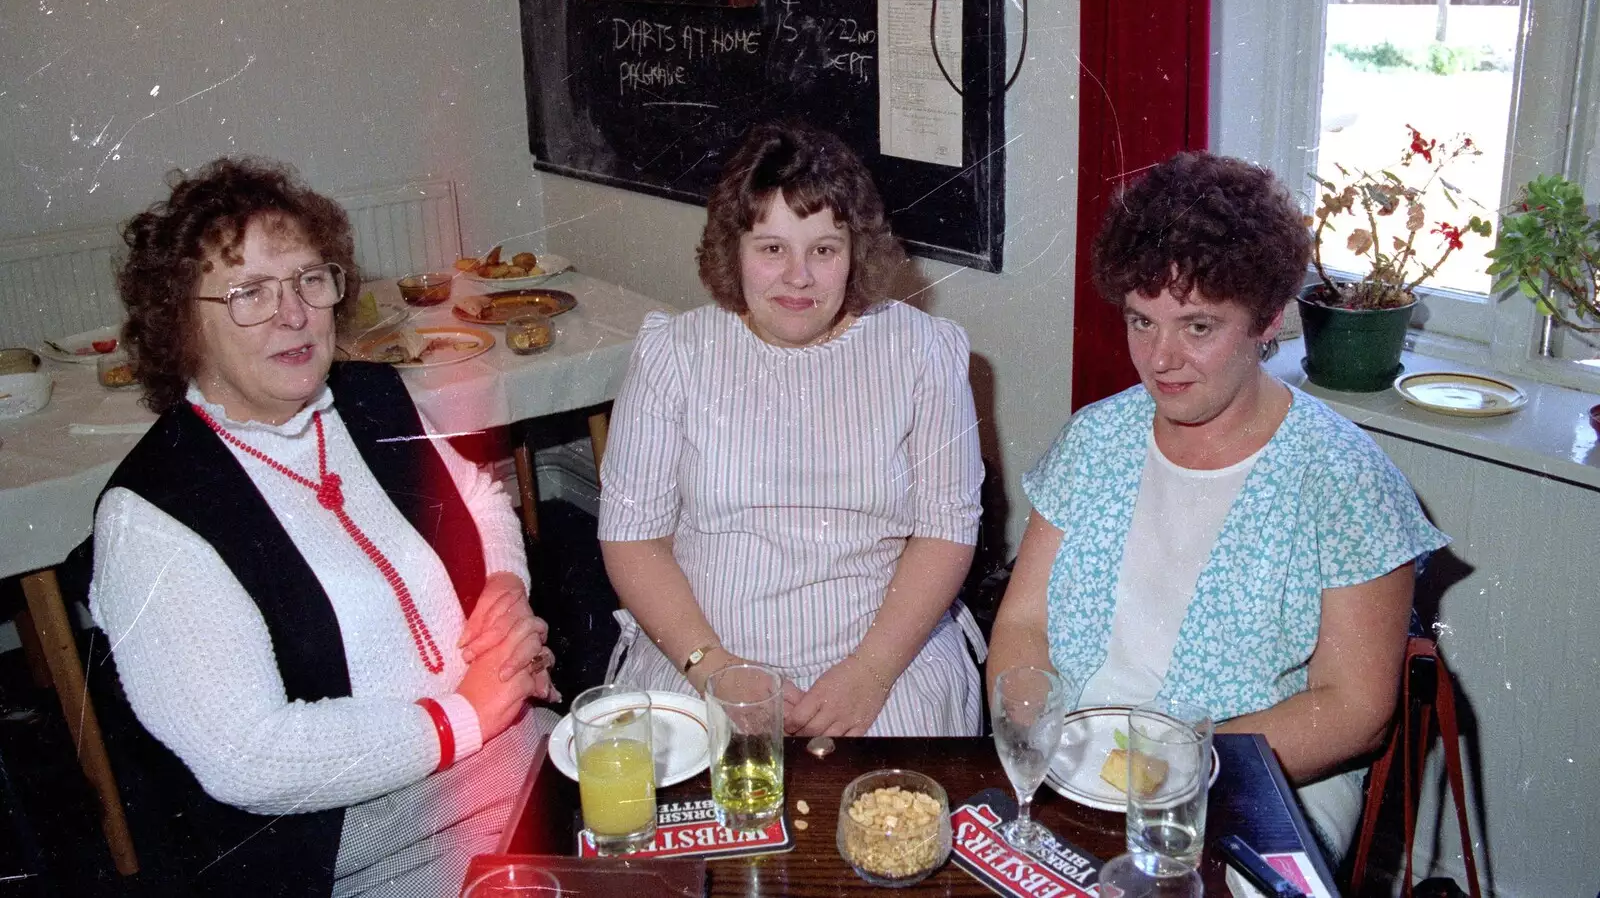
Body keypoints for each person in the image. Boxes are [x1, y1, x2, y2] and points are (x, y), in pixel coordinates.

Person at [87, 157, 558, 897]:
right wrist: (462, 717)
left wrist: (505, 583)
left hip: (502, 747)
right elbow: (249, 756)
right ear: (181, 322)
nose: (294, 312)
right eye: (248, 293)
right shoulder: (150, 517)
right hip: (345, 842)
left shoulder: (371, 398)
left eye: (310, 278)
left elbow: (480, 496)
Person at [987, 152, 1447, 857]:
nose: (1160, 359)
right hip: (1074, 770)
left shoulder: (1345, 480)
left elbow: (1354, 712)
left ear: (1268, 322)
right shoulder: (1096, 438)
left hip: (1255, 781)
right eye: (1142, 321)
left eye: (1198, 327)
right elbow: (1021, 623)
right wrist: (1035, 746)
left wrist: (1172, 765)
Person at [598, 120, 985, 737]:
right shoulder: (672, 353)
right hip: (699, 652)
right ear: (735, 250)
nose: (798, 276)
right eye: (771, 248)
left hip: (885, 658)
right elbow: (630, 537)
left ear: (857, 251)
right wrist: (715, 669)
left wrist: (870, 674)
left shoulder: (926, 354)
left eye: (824, 250)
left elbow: (946, 530)